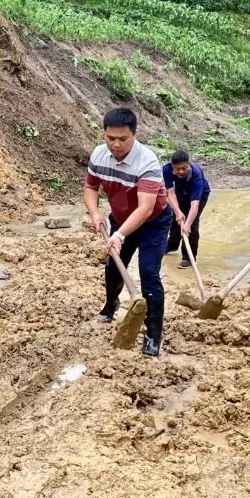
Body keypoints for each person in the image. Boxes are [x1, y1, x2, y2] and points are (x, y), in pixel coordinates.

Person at [84, 107, 173, 357]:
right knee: (113, 269)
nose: (116, 144)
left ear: (134, 135)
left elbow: (145, 208)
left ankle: (154, 333)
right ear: (104, 135)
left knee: (148, 274)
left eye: (122, 139)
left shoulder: (147, 162)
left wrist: (120, 235)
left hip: (153, 222)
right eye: (111, 138)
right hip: (121, 217)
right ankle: (111, 303)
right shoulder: (99, 156)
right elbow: (91, 187)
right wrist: (94, 213)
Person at [163, 150, 211, 269]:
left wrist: (187, 224)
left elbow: (194, 204)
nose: (180, 171)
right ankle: (172, 245)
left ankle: (188, 257)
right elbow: (169, 192)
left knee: (192, 224)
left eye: (184, 168)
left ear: (189, 164)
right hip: (180, 193)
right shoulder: (167, 169)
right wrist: (178, 211)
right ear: (172, 166)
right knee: (176, 219)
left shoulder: (196, 173)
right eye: (177, 168)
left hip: (199, 195)